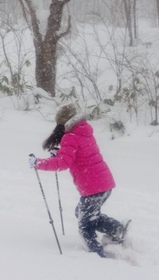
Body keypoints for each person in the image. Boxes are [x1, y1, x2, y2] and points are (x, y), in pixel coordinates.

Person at [28, 103, 129, 258]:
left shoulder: (70, 137)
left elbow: (63, 163)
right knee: (83, 213)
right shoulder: (84, 131)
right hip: (103, 184)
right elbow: (77, 153)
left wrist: (39, 163)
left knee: (85, 225)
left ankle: (96, 254)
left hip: (93, 187)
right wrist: (60, 152)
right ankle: (116, 229)